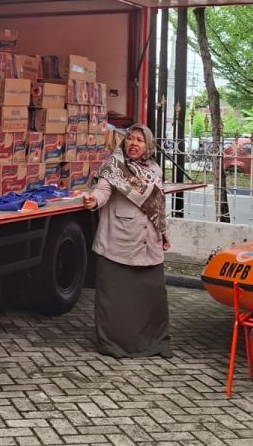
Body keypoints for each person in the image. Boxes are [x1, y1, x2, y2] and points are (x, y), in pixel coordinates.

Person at [82, 124, 172, 358]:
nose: (133, 144)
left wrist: (163, 233)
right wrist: (94, 200)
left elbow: (158, 205)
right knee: (117, 300)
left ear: (148, 145)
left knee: (150, 297)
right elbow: (103, 189)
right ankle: (116, 345)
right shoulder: (114, 165)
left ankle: (154, 343)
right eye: (130, 139)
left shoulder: (154, 168)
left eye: (139, 140)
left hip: (147, 241)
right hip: (119, 241)